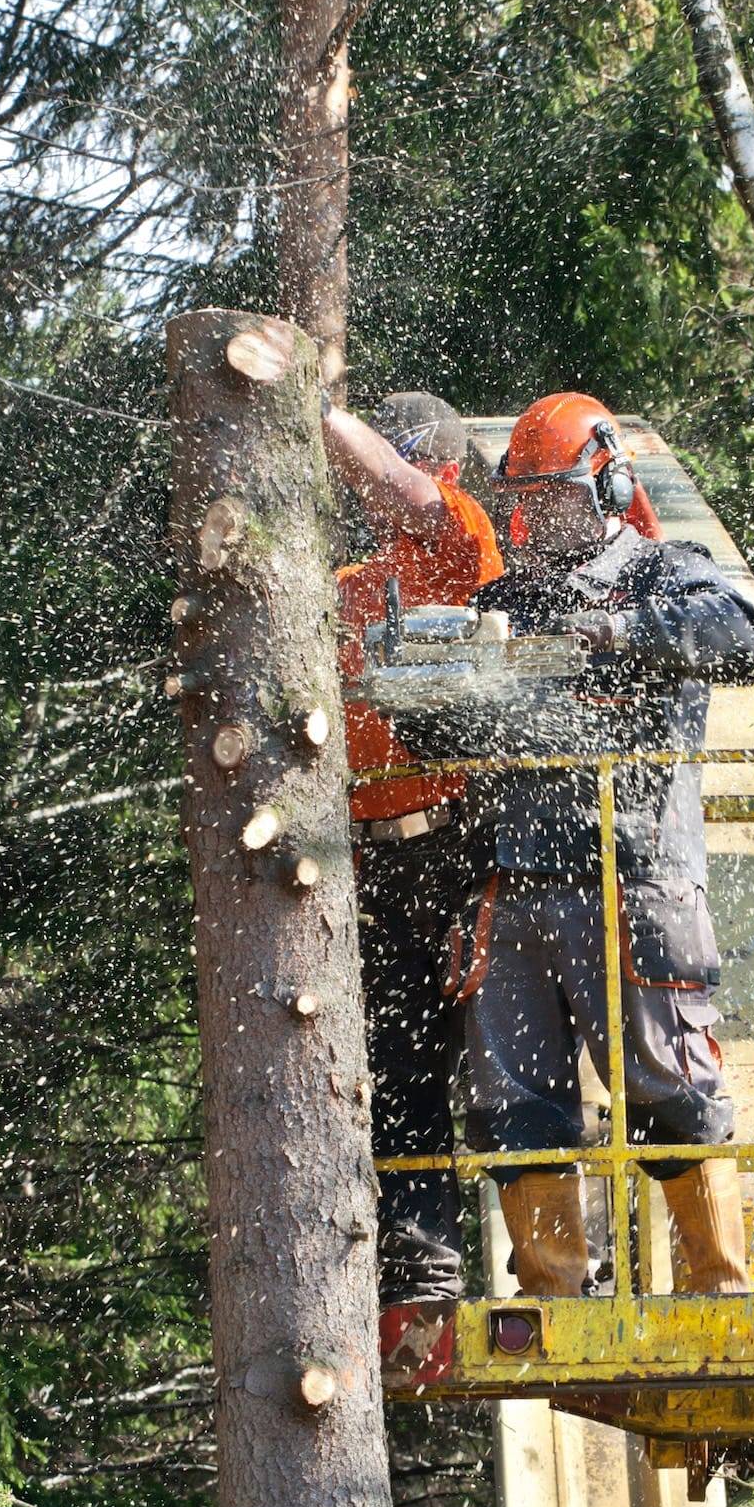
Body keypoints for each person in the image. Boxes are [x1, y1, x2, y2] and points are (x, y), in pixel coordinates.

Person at [435, 393, 754, 1298]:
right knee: (515, 1102)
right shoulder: (499, 602)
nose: (540, 515)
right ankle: (552, 1291)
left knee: (670, 1083)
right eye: (529, 497)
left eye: (557, 495)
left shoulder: (667, 574)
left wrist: (622, 634)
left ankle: (716, 1283)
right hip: (513, 882)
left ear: (608, 481)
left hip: (634, 876)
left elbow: (742, 639)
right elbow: (445, 731)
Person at [325, 392, 503, 1306]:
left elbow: (403, 492)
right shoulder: (351, 584)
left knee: (507, 1063)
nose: (364, 493)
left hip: (458, 843)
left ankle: (558, 1260)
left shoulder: (458, 538)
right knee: (398, 1066)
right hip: (369, 850)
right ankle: (420, 1264)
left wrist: (314, 412)